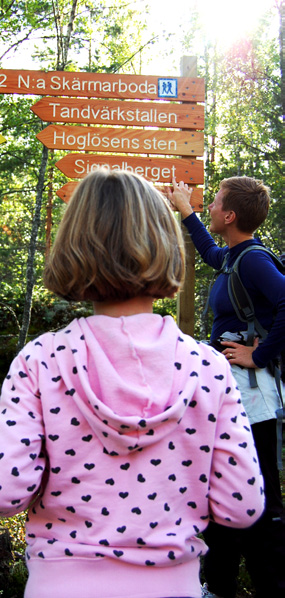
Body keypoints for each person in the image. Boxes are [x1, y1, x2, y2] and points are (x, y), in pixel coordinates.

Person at [0, 169, 265, 598]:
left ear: (72, 245)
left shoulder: (40, 361)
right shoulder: (209, 368)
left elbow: (7, 491)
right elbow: (242, 506)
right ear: (165, 245)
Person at [167, 176, 285, 598]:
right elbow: (213, 254)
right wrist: (187, 212)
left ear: (230, 215)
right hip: (233, 392)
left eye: (215, 202)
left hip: (252, 392)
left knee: (262, 491)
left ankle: (269, 584)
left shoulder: (252, 260)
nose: (212, 206)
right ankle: (219, 584)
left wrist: (260, 353)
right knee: (225, 483)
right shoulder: (235, 258)